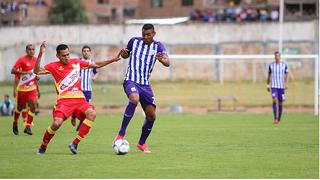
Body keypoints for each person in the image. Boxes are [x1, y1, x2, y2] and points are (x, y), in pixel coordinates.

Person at [34, 42, 121, 155]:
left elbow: (96, 65)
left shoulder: (76, 62)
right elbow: (36, 71)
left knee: (92, 113)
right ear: (58, 56)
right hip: (64, 101)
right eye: (63, 55)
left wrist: (113, 59)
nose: (66, 57)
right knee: (56, 124)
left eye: (68, 54)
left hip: (80, 100)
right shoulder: (53, 66)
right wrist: (40, 53)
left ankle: (75, 143)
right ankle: (43, 146)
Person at [114, 23, 170, 153]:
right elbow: (125, 55)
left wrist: (162, 60)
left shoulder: (158, 46)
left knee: (151, 116)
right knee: (134, 99)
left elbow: (167, 62)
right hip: (131, 80)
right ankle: (121, 133)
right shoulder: (134, 41)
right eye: (143, 34)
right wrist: (123, 54)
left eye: (148, 35)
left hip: (145, 84)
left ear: (153, 34)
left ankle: (141, 143)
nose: (145, 37)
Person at [11, 44, 40, 135]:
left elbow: (35, 73)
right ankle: (15, 123)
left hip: (32, 88)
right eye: (30, 49)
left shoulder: (36, 60)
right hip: (22, 88)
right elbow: (13, 71)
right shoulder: (21, 60)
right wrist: (24, 73)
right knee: (20, 108)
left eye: (33, 49)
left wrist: (37, 78)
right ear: (26, 51)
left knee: (34, 106)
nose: (31, 51)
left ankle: (28, 127)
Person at [71, 45, 99, 131]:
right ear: (82, 52)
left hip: (88, 90)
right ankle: (73, 116)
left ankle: (80, 125)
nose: (86, 52)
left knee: (86, 109)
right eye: (84, 51)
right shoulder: (78, 62)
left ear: (90, 52)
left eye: (87, 51)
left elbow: (96, 72)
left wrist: (95, 77)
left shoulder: (92, 62)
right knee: (76, 106)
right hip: (79, 90)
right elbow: (73, 73)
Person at [267, 51, 289, 124]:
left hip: (281, 87)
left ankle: (279, 119)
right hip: (274, 86)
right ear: (274, 57)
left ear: (280, 57)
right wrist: (268, 85)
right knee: (274, 99)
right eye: (276, 56)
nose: (277, 57)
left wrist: (286, 84)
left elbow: (286, 75)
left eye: (278, 56)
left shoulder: (284, 65)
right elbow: (269, 76)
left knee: (280, 103)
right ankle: (275, 118)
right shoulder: (271, 66)